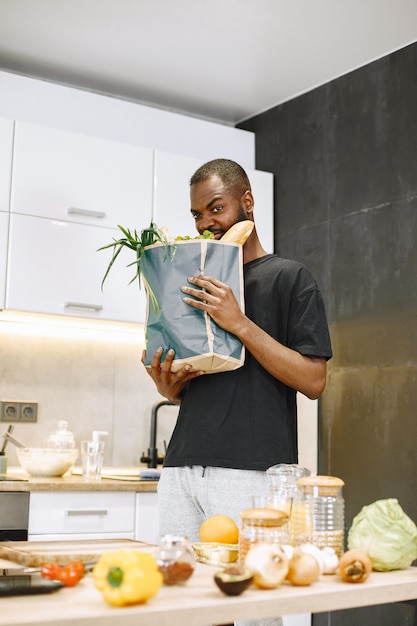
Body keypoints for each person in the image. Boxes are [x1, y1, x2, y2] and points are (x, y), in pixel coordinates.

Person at [142, 158, 332, 626]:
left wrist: (239, 322)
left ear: (247, 202)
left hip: (251, 473)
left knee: (252, 612)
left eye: (216, 208)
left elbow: (313, 380)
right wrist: (170, 386)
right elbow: (209, 383)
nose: (207, 224)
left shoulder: (290, 278)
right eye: (197, 216)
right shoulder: (193, 284)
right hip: (182, 468)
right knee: (181, 605)